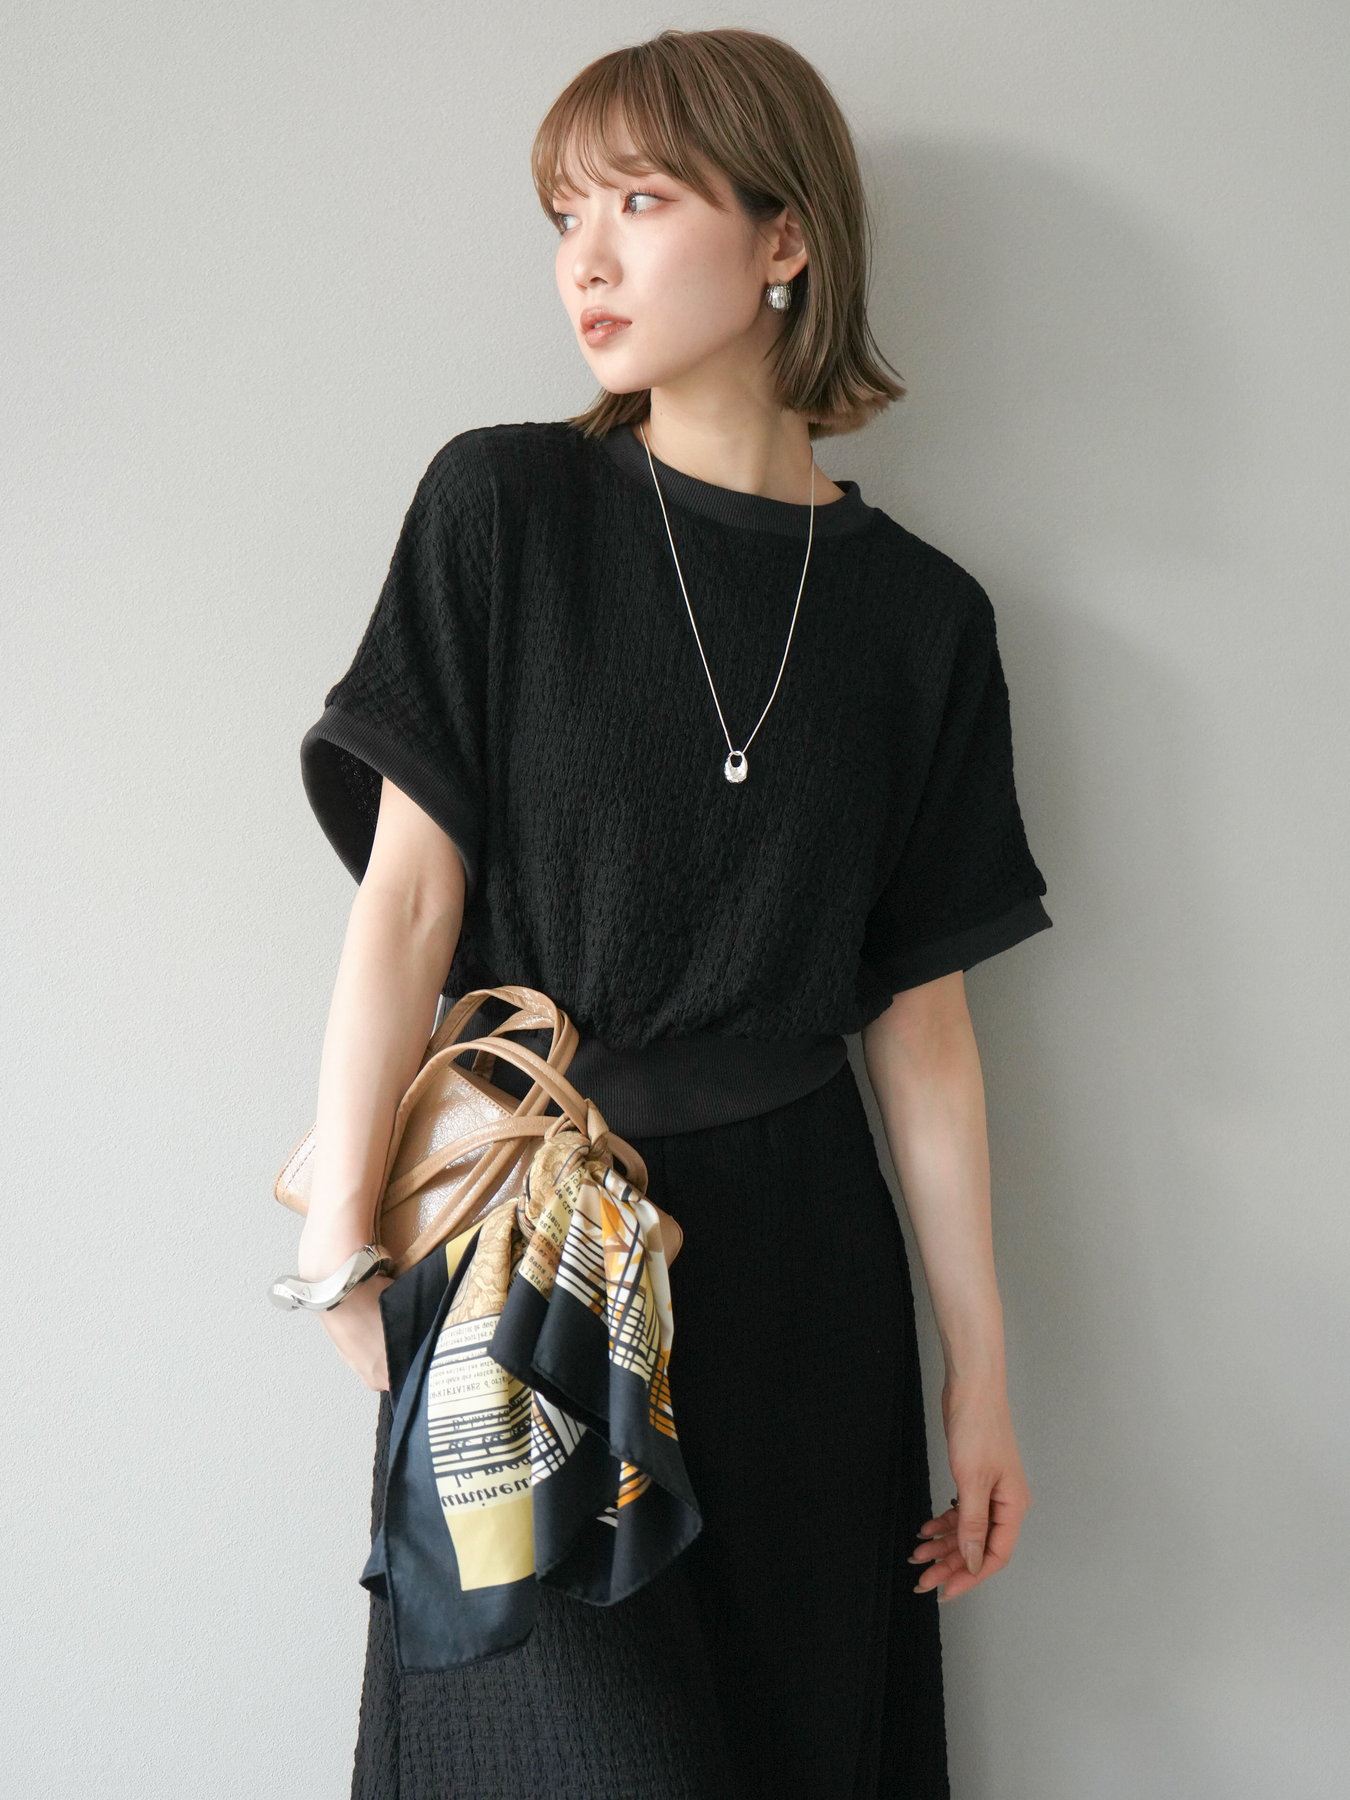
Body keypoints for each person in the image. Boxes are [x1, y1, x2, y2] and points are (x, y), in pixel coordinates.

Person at [291, 27, 1049, 1800]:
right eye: (565, 214)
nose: (587, 259)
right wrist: (339, 1241)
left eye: (638, 201)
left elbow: (921, 1027)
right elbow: (409, 902)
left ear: (784, 238)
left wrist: (979, 1376)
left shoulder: (922, 621)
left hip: (802, 1276)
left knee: (793, 1747)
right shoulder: (504, 508)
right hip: (528, 1250)